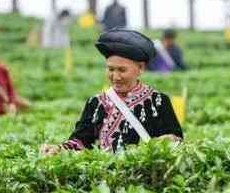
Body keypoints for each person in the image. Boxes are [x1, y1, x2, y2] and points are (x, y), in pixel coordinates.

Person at [40, 29, 183, 155]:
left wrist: (167, 140)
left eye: (122, 70)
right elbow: (80, 141)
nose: (115, 76)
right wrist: (59, 149)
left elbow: (177, 144)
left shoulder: (158, 101)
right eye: (110, 69)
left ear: (140, 68)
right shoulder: (95, 103)